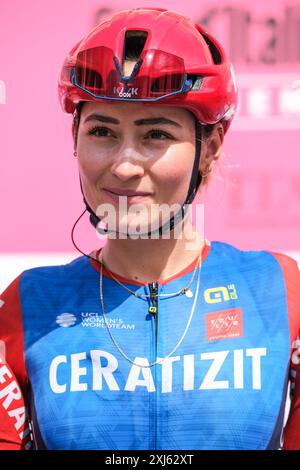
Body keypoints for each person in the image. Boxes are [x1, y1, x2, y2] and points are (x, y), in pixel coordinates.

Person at [1, 7, 300, 451]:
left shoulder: (279, 290)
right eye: (102, 131)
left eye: (156, 135)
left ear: (210, 148)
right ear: (74, 139)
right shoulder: (26, 305)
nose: (123, 165)